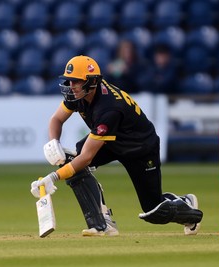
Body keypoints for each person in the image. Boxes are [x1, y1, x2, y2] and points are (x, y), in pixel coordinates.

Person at [30, 55, 203, 236]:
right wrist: (53, 142)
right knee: (69, 159)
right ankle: (102, 223)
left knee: (154, 211)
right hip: (112, 142)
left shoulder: (109, 108)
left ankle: (186, 204)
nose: (71, 86)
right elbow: (56, 119)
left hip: (140, 148)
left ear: (92, 82)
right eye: (69, 81)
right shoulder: (78, 94)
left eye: (76, 81)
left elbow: (87, 157)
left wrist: (53, 177)